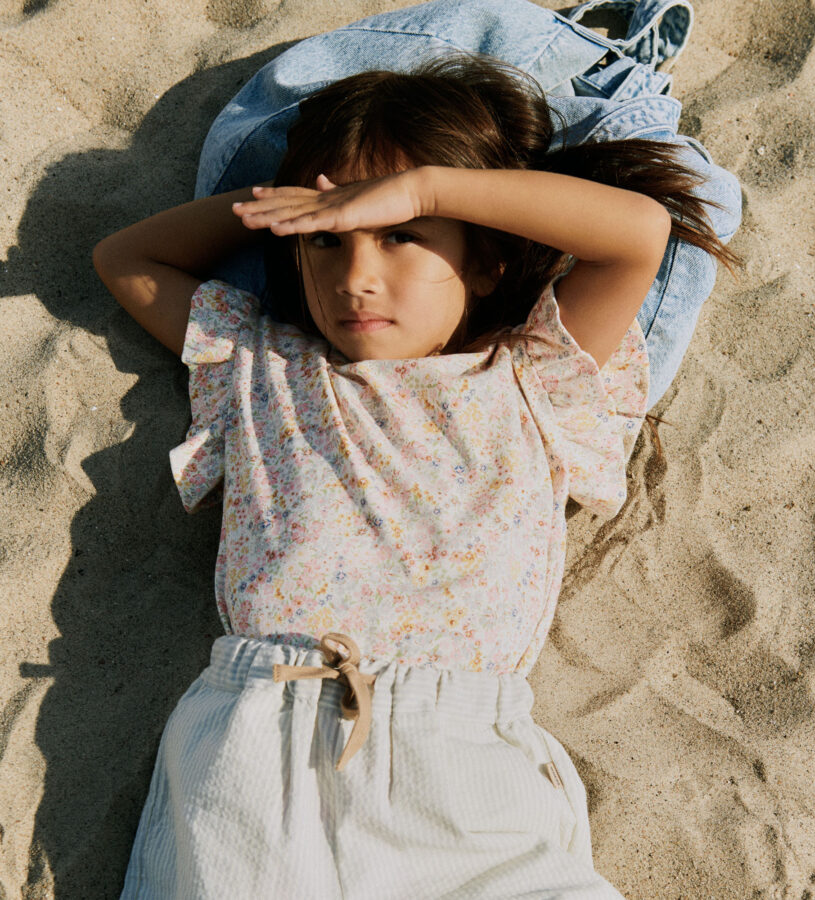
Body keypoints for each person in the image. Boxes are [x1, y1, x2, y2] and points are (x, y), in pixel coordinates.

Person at [93, 17, 739, 900]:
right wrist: (293, 201)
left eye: (403, 235)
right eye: (326, 241)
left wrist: (427, 187)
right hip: (257, 745)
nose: (355, 272)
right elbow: (125, 256)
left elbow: (635, 234)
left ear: (482, 262)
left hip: (464, 762)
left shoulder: (536, 377)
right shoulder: (262, 367)